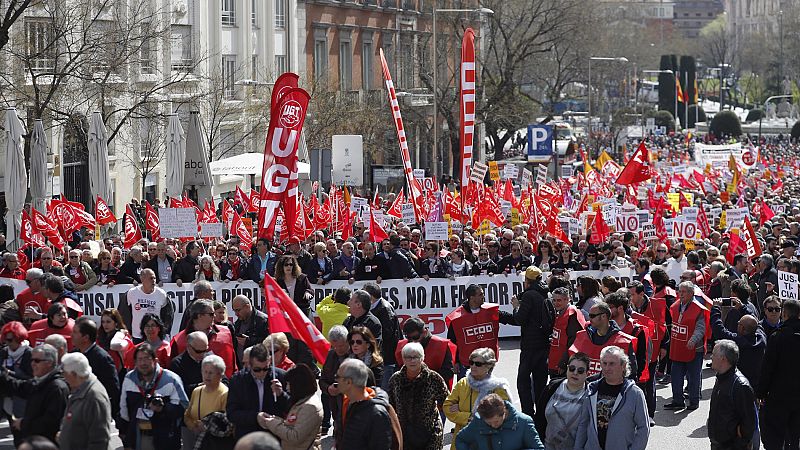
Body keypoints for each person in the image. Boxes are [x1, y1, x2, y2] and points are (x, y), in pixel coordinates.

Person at [573, 346, 650, 450]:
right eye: (604, 363)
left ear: (623, 366)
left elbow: (644, 428)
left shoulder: (635, 393)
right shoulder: (592, 390)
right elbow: (583, 423)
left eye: (612, 364)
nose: (607, 368)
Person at [119, 343, 189, 450]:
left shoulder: (171, 379)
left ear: (155, 360)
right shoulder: (129, 379)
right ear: (135, 362)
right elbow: (123, 408)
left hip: (165, 438)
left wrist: (163, 408)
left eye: (147, 358)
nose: (143, 363)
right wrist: (126, 435)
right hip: (138, 435)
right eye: (140, 359)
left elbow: (183, 406)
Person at [0, 344, 69, 446]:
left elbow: (50, 423)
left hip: (46, 445)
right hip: (34, 441)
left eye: (37, 361)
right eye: (31, 360)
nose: (32, 364)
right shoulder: (39, 381)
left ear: (49, 363)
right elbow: (19, 387)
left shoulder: (57, 388)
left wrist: (23, 424)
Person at [444, 348, 512, 450]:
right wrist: (467, 417)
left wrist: (468, 415)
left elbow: (502, 415)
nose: (473, 366)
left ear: (489, 366)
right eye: (471, 362)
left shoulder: (498, 388)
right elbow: (447, 406)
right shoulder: (463, 383)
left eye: (478, 364)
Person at [387, 342, 449, 450]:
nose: (411, 360)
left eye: (415, 357)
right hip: (403, 435)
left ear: (422, 358)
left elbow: (446, 402)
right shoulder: (395, 379)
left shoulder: (434, 378)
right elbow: (390, 406)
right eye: (408, 357)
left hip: (429, 435)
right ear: (403, 359)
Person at [757, 298, 800, 450]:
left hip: (778, 397)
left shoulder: (778, 337)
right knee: (795, 437)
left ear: (785, 314)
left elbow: (768, 367)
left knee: (775, 437)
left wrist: (761, 392)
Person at [447, 284, 516, 378]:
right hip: (466, 365)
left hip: (486, 364)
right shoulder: (457, 318)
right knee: (465, 392)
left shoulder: (491, 311)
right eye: (480, 294)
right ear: (472, 298)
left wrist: (517, 308)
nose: (483, 297)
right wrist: (455, 362)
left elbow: (513, 320)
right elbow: (452, 342)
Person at [510, 266, 553, 415]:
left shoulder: (529, 295)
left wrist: (516, 306)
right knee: (540, 382)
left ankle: (528, 413)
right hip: (543, 343)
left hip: (530, 345)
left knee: (523, 382)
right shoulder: (546, 293)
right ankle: (541, 414)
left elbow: (520, 319)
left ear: (527, 281)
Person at [227, 343, 290, 441]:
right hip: (248, 437)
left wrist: (281, 394)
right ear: (249, 365)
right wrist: (255, 417)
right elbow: (232, 414)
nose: (262, 373)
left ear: (269, 362)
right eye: (257, 369)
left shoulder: (280, 376)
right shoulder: (238, 380)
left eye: (266, 369)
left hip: (272, 437)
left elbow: (291, 408)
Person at [257, 364, 323, 450]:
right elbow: (291, 424)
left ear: (298, 385)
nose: (287, 387)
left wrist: (271, 423)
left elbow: (294, 437)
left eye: (289, 384)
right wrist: (272, 419)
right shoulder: (303, 401)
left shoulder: (310, 407)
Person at [665, 281, 708, 411]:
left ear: (691, 293)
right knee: (676, 376)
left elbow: (701, 328)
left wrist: (693, 340)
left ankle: (694, 401)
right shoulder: (675, 306)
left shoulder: (698, 308)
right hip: (678, 348)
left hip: (694, 349)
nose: (680, 294)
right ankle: (677, 400)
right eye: (679, 291)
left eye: (683, 292)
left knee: (694, 377)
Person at [334, 358, 395, 450]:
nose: (335, 380)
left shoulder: (376, 413)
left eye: (337, 376)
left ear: (348, 382)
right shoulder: (346, 402)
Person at [57, 352, 114, 450]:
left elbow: (100, 439)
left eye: (64, 373)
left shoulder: (94, 397)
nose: (64, 377)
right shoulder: (79, 389)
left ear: (74, 374)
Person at [533, 353, 590, 450]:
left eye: (580, 371)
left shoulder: (590, 394)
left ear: (587, 373)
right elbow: (539, 418)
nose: (575, 373)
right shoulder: (552, 387)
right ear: (567, 368)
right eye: (572, 368)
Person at [708, 339, 758, 450]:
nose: (711, 357)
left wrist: (739, 444)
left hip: (731, 446)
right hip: (718, 443)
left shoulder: (740, 385)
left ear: (723, 359)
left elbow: (749, 422)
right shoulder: (721, 377)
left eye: (714, 354)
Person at [70, 316, 121, 424]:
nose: (71, 336)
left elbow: (113, 389)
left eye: (75, 332)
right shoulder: (73, 355)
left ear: (85, 337)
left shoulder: (102, 358)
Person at [568, 301, 637, 378]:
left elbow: (631, 373)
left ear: (604, 316)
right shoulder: (582, 336)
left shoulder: (624, 342)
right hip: (585, 388)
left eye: (592, 316)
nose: (589, 318)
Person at [170, 299, 237, 378]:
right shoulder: (178, 341)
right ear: (199, 316)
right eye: (211, 314)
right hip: (194, 388)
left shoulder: (226, 332)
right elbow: (174, 373)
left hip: (225, 387)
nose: (214, 316)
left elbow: (234, 364)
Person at [454, 393, 544, 450]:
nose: (493, 425)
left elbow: (538, 448)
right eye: (489, 423)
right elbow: (461, 439)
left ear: (504, 412)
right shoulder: (478, 421)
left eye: (496, 421)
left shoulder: (524, 422)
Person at [710, 298, 766, 389]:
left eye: (739, 323)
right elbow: (756, 322)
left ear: (742, 328)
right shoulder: (762, 338)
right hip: (755, 384)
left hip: (738, 385)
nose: (737, 324)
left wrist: (716, 308)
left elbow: (719, 330)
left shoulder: (738, 342)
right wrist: (742, 308)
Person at [183, 354, 230, 450]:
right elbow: (187, 415)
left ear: (220, 374)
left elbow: (227, 424)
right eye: (205, 372)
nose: (207, 375)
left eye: (211, 373)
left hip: (215, 444)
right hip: (197, 440)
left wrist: (207, 427)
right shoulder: (197, 391)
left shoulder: (225, 394)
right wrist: (194, 426)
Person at [394, 317, 455, 388]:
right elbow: (397, 370)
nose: (413, 341)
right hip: (409, 389)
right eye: (409, 338)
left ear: (425, 332)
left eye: (415, 337)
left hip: (435, 389)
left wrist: (425, 380)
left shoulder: (442, 345)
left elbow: (448, 372)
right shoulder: (401, 346)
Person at [363, 282, 402, 388]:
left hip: (386, 357)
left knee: (384, 389)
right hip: (380, 355)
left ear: (370, 296)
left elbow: (387, 334)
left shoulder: (384, 309)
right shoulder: (375, 307)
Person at [119, 268, 172, 343]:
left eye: (154, 278)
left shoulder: (161, 294)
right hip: (137, 336)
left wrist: (165, 332)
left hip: (154, 335)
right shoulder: (132, 293)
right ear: (142, 279)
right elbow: (123, 312)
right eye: (151, 278)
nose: (153, 280)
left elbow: (167, 315)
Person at [0, 321, 32, 433]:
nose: (7, 343)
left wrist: (10, 373)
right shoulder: (4, 352)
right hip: (7, 400)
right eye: (6, 340)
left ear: (19, 338)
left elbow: (32, 378)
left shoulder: (29, 354)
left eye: (10, 340)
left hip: (23, 401)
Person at [548, 287, 586, 376]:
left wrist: (564, 362)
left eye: (559, 300)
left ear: (567, 300)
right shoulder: (560, 312)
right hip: (555, 360)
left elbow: (574, 341)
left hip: (563, 363)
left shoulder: (571, 315)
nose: (556, 303)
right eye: (554, 300)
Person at [169, 331, 210, 399]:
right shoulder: (177, 364)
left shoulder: (210, 359)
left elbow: (224, 378)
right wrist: (199, 386)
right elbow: (177, 389)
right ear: (188, 346)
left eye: (205, 350)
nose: (202, 354)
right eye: (198, 351)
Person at [231, 295, 270, 367]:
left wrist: (249, 341)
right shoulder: (237, 323)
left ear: (247, 306)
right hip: (241, 367)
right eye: (234, 310)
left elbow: (268, 343)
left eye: (238, 310)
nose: (236, 314)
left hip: (258, 366)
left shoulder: (263, 321)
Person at [96, 308, 134, 377]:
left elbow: (115, 345)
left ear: (116, 323)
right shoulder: (99, 338)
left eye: (108, 322)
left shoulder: (122, 337)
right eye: (103, 322)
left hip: (118, 376)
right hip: (101, 375)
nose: (105, 325)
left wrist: (119, 334)